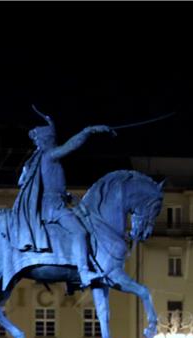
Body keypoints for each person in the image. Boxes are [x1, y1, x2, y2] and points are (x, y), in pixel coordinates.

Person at [7, 106, 114, 287]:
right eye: (53, 139)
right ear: (48, 140)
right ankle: (83, 272)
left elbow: (31, 183)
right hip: (53, 208)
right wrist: (88, 130)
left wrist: (67, 196)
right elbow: (71, 146)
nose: (55, 142)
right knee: (80, 232)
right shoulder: (49, 155)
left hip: (51, 203)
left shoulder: (34, 160)